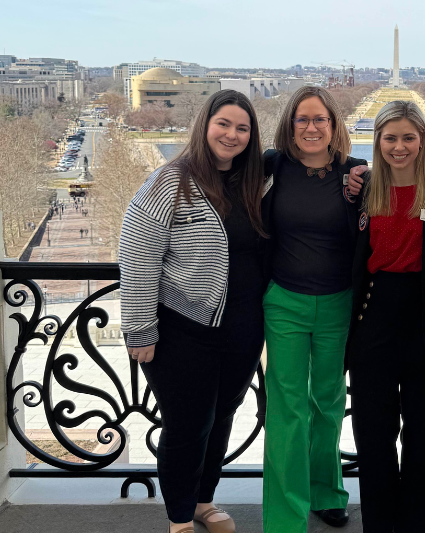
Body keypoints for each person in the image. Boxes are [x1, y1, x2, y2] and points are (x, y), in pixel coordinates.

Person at [120, 89, 269, 533]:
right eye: (223, 123)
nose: (232, 134)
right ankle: (180, 517)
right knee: (188, 425)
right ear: (204, 125)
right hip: (183, 328)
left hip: (242, 328)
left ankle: (204, 500)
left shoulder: (255, 180)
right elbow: (138, 254)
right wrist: (140, 329)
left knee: (222, 417)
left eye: (242, 128)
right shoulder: (170, 182)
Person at [345, 100, 425, 533]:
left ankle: (421, 524)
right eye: (390, 138)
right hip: (374, 317)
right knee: (373, 436)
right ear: (377, 140)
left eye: (408, 138)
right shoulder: (362, 189)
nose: (399, 147)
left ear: (423, 140)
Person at [260, 86, 368, 533]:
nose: (310, 127)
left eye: (319, 119)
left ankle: (326, 492)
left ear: (333, 125)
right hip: (284, 301)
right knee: (287, 409)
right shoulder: (271, 166)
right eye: (302, 119)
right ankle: (285, 519)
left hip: (339, 302)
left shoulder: (355, 173)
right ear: (290, 124)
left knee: (328, 402)